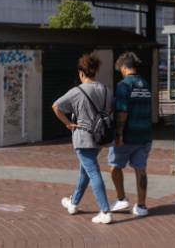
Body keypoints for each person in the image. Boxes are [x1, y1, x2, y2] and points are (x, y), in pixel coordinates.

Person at [52, 53, 114, 224]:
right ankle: (73, 203)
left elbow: (56, 106)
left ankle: (105, 211)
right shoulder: (106, 90)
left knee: (92, 172)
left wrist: (68, 124)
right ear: (95, 71)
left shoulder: (77, 91)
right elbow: (110, 109)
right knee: (85, 171)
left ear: (81, 73)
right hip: (100, 137)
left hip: (83, 137)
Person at [108, 52, 152, 217]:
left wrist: (119, 134)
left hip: (128, 135)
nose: (120, 72)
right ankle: (141, 206)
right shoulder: (146, 84)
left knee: (114, 167)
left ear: (124, 67)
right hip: (145, 134)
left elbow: (122, 112)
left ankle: (121, 199)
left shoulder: (124, 85)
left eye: (120, 69)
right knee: (141, 169)